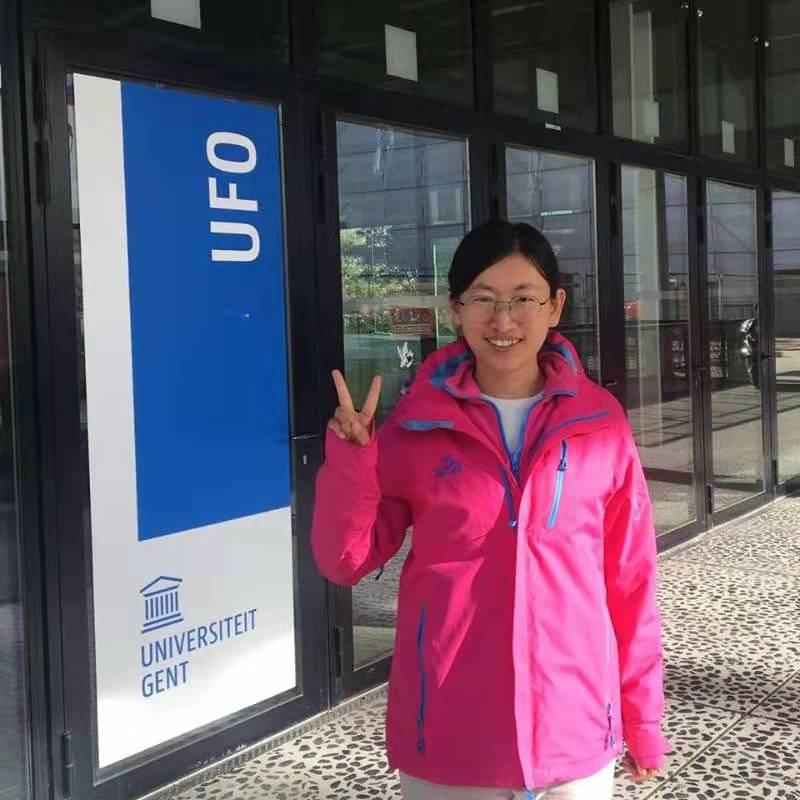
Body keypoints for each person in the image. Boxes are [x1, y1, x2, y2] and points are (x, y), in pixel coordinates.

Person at [312, 221, 671, 799]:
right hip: (450, 729)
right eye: (483, 300)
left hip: (575, 723)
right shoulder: (415, 427)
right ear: (456, 309)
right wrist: (353, 462)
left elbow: (631, 582)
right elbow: (345, 560)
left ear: (555, 307)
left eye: (523, 299)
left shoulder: (599, 422)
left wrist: (642, 720)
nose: (503, 322)